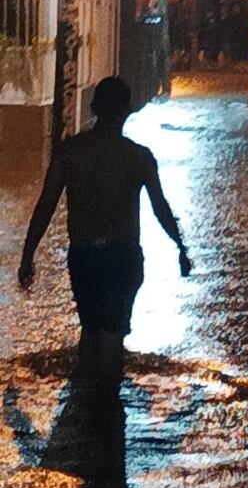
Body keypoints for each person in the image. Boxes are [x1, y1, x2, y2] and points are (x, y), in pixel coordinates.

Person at [18, 77, 192, 381]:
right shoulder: (139, 157)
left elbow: (45, 206)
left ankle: (84, 408)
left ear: (94, 107)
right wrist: (181, 248)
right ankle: (107, 409)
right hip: (123, 255)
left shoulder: (70, 153)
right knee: (113, 334)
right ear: (127, 110)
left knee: (90, 327)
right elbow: (160, 208)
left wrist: (27, 255)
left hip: (84, 255)